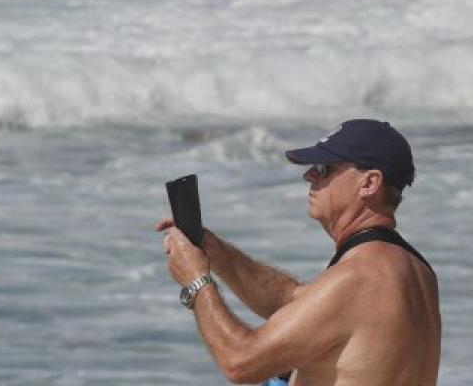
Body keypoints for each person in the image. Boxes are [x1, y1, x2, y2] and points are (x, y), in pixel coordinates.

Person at [159, 119, 441, 385]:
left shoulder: (362, 276)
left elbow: (240, 361)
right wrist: (216, 252)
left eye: (324, 168)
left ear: (369, 183)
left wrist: (196, 280)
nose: (309, 175)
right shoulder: (409, 268)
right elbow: (291, 299)